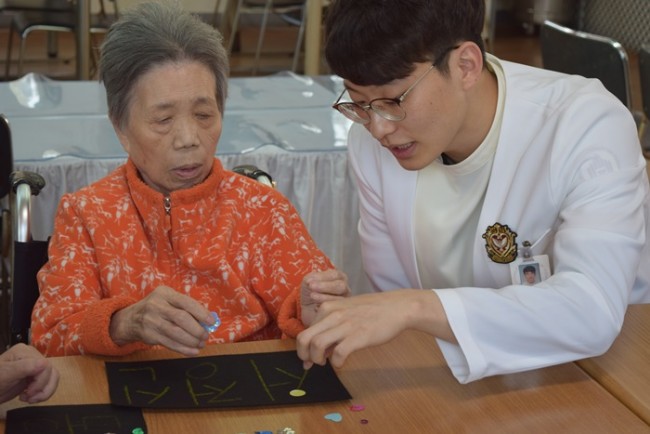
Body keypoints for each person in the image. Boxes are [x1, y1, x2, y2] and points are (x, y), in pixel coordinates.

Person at [296, 0, 650, 383]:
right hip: (459, 379)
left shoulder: (584, 125)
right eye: (359, 103)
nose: (378, 128)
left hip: (606, 374)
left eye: (393, 101)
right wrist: (345, 318)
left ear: (466, 66)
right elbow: (394, 305)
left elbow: (591, 311)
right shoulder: (370, 143)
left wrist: (416, 308)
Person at [31, 1, 348, 358]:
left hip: (247, 389)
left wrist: (315, 313)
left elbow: (315, 307)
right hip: (132, 390)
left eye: (203, 114)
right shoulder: (87, 215)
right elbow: (49, 336)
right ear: (120, 128)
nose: (188, 138)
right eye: (163, 120)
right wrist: (122, 323)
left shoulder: (262, 210)